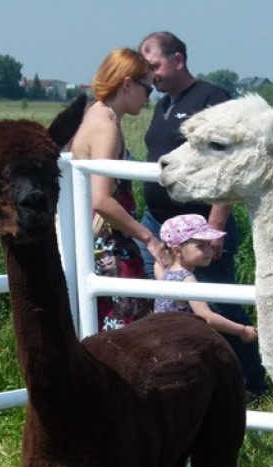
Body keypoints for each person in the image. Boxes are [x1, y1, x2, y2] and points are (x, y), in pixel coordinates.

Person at [138, 30, 267, 400]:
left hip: (198, 227)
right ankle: (186, 382)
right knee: (170, 306)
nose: (152, 75)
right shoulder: (162, 104)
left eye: (156, 65)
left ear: (178, 60)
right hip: (161, 224)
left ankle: (250, 382)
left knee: (218, 304)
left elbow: (228, 161)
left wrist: (214, 228)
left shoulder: (212, 99)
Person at [69, 47, 162, 331]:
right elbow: (102, 199)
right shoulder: (105, 126)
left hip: (98, 242)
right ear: (127, 84)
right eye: (148, 88)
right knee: (127, 334)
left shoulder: (95, 114)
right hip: (107, 247)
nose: (150, 98)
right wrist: (149, 239)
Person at [153, 214, 260, 348]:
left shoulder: (166, 273)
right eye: (200, 246)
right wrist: (242, 330)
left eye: (209, 244)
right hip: (183, 345)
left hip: (164, 341)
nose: (209, 251)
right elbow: (206, 317)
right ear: (177, 250)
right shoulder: (186, 279)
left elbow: (157, 265)